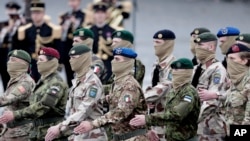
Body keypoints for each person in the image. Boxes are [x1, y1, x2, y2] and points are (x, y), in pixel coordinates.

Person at [72, 47, 148, 141]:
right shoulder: (117, 84)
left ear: (127, 63)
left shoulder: (130, 85)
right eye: (113, 58)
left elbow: (121, 111)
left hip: (134, 137)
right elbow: (109, 100)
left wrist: (93, 124)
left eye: (117, 59)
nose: (113, 62)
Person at [0, 47, 68, 141]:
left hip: (47, 134)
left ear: (51, 62)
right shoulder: (42, 82)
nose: (37, 62)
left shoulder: (55, 83)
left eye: (41, 60)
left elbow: (43, 106)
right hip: (36, 132)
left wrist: (15, 114)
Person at [45, 44, 106, 141]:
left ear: (84, 59)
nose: (70, 60)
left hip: (92, 136)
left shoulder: (93, 83)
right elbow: (70, 111)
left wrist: (59, 127)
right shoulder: (77, 81)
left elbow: (83, 111)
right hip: (77, 135)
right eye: (70, 58)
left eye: (74, 58)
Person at [130, 58, 200, 141]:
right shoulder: (173, 91)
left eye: (177, 70)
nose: (173, 72)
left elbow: (176, 115)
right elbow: (167, 115)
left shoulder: (189, 93)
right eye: (173, 69)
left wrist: (147, 119)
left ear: (186, 72)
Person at [192, 32, 229, 141]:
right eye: (196, 46)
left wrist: (190, 119)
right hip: (197, 129)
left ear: (211, 47)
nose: (197, 48)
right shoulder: (196, 69)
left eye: (200, 45)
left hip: (212, 129)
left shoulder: (218, 70)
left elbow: (212, 101)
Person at [15, 0, 62, 83]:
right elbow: (22, 49)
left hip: (46, 65)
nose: (35, 15)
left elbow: (57, 49)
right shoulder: (26, 30)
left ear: (43, 13)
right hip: (31, 64)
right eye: (33, 13)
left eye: (38, 13)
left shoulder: (51, 29)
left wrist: (56, 64)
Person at [143, 29, 175, 140]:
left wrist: (141, 99)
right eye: (154, 42)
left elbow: (163, 87)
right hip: (154, 117)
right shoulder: (156, 64)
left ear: (167, 44)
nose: (154, 46)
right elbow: (154, 86)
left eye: (158, 43)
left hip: (166, 120)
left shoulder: (173, 66)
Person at [0, 50, 35, 141]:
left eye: (13, 60)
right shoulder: (15, 79)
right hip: (9, 129)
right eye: (9, 60)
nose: (9, 63)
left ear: (23, 63)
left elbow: (8, 99)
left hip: (21, 133)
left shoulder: (25, 82)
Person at [224, 44, 250, 137]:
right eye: (228, 58)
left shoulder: (248, 80)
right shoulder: (236, 80)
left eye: (232, 59)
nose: (229, 62)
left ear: (244, 61)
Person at [0, 1, 27, 91]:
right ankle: (7, 100)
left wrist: (21, 23)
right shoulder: (3, 25)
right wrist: (9, 29)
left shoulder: (22, 24)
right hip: (3, 56)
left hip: (17, 56)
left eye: (12, 10)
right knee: (5, 79)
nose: (10, 12)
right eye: (9, 10)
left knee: (18, 81)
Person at [90, 2, 116, 83]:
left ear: (106, 15)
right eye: (97, 13)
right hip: (93, 64)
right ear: (94, 15)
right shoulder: (90, 31)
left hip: (108, 64)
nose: (100, 15)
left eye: (102, 13)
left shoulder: (112, 31)